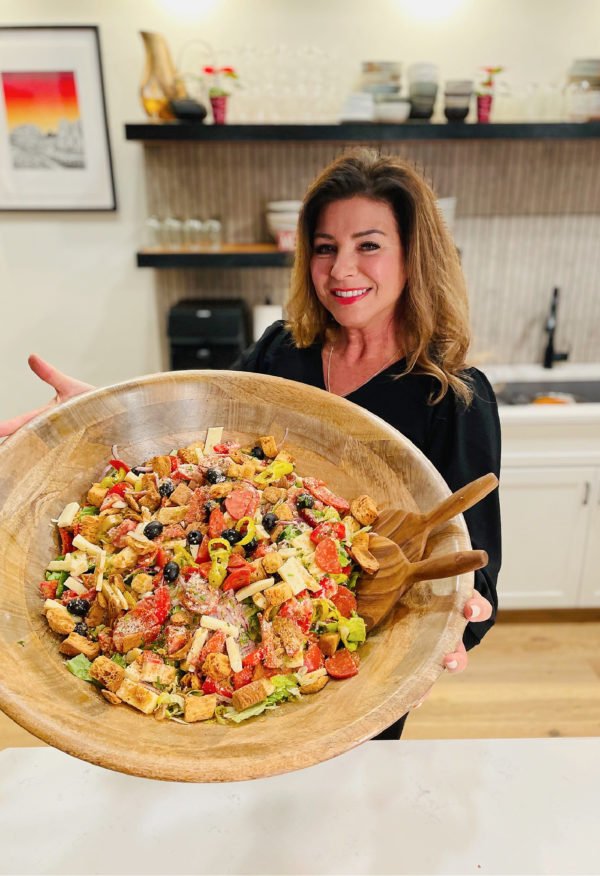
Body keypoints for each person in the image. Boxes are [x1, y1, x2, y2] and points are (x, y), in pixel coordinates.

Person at [0, 150, 500, 739]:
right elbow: (198, 438)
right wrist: (99, 412)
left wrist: (454, 627)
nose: (341, 269)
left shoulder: (455, 397)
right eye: (323, 247)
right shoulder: (280, 350)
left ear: (415, 257)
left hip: (351, 696)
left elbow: (476, 572)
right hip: (204, 699)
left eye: (368, 245)